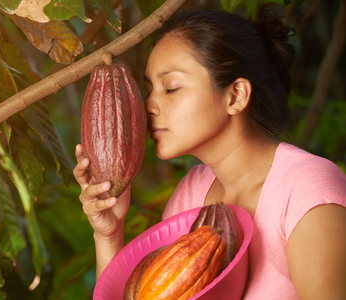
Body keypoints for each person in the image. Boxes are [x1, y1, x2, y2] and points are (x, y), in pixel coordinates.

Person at [73, 3, 346, 299]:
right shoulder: (191, 194)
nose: (148, 105)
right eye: (150, 89)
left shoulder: (306, 188)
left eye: (172, 87)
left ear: (236, 96)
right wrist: (109, 234)